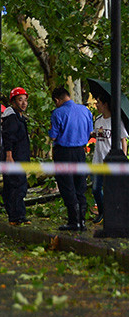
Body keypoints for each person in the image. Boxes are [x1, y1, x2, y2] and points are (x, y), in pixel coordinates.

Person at [49, 87, 94, 231]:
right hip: (80, 152)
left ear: (57, 100)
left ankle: (74, 222)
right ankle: (82, 221)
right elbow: (89, 132)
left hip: (63, 153)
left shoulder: (58, 113)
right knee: (80, 186)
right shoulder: (85, 110)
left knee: (67, 187)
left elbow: (53, 136)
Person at [89, 94, 128, 224]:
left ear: (105, 104)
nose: (96, 105)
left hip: (111, 161)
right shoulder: (98, 120)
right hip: (98, 160)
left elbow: (124, 140)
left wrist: (122, 157)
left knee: (112, 189)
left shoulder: (116, 121)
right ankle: (102, 211)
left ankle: (114, 214)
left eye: (98, 102)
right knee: (96, 189)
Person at [1, 87, 31, 225]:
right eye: (20, 100)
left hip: (20, 157)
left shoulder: (19, 117)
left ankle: (17, 215)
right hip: (14, 159)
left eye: (25, 100)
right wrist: (9, 156)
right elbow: (9, 137)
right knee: (17, 186)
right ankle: (16, 216)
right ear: (13, 102)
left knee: (17, 186)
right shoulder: (12, 117)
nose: (24, 103)